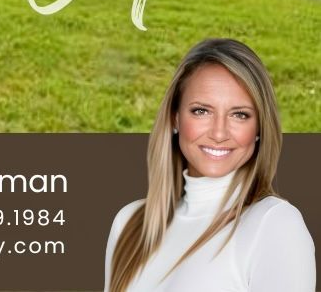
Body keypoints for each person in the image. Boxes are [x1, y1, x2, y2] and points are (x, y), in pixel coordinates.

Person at [104, 38, 315, 292]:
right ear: (175, 117)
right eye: (202, 111)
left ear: (259, 127)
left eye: (240, 115)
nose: (218, 133)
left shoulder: (273, 224)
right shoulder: (129, 223)